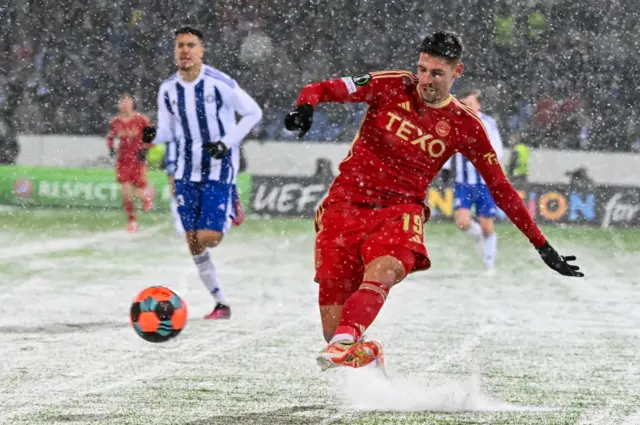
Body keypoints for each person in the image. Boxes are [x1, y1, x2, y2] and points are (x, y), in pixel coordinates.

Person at [284, 31, 583, 371]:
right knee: (332, 329)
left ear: (457, 72)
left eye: (436, 73)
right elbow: (322, 89)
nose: (425, 79)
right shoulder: (391, 84)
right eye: (422, 69)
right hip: (344, 206)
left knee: (386, 270)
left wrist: (541, 245)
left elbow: (501, 189)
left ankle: (345, 341)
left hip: (400, 211)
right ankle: (362, 350)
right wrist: (305, 107)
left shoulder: (464, 125)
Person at [143, 26, 262, 319]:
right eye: (180, 45)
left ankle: (231, 201)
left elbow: (253, 113)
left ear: (201, 51)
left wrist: (226, 142)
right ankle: (220, 302)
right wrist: (150, 137)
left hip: (218, 168)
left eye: (190, 45)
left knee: (209, 237)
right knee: (193, 241)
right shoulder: (168, 88)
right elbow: (168, 130)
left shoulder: (219, 83)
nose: (184, 50)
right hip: (185, 171)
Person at [441, 88, 504, 271]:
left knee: (487, 225)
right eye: (464, 103)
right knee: (462, 222)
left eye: (470, 104)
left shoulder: (488, 123)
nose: (466, 107)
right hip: (463, 182)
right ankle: (477, 236)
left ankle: (489, 265)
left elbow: (498, 150)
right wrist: (445, 168)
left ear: (478, 104)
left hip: (485, 183)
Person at [106, 93, 153, 232]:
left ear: (132, 104)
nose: (125, 105)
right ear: (119, 105)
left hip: (137, 160)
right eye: (123, 103)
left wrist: (145, 149)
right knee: (126, 191)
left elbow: (150, 134)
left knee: (138, 191)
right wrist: (111, 148)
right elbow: (110, 136)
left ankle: (146, 198)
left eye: (128, 102)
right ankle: (132, 221)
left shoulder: (141, 119)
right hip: (123, 160)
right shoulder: (115, 122)